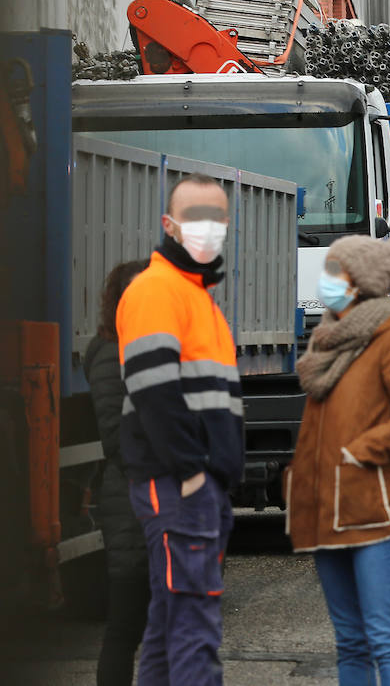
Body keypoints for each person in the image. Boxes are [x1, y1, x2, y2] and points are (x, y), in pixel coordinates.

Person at [286, 234, 390, 686]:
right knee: (350, 643)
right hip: (326, 513)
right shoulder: (329, 342)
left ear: (360, 280)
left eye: (335, 271)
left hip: (375, 511)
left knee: (385, 638)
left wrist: (361, 451)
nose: (326, 280)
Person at [116, 173, 240, 686]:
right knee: (195, 626)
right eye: (195, 216)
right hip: (179, 483)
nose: (207, 227)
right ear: (169, 224)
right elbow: (154, 392)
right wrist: (192, 473)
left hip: (193, 484)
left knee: (170, 625)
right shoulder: (156, 290)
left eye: (217, 216)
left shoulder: (197, 297)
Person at [86, 259, 150, 686]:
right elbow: (116, 436)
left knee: (163, 627)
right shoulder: (111, 352)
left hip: (154, 501)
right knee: (126, 626)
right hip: (131, 504)